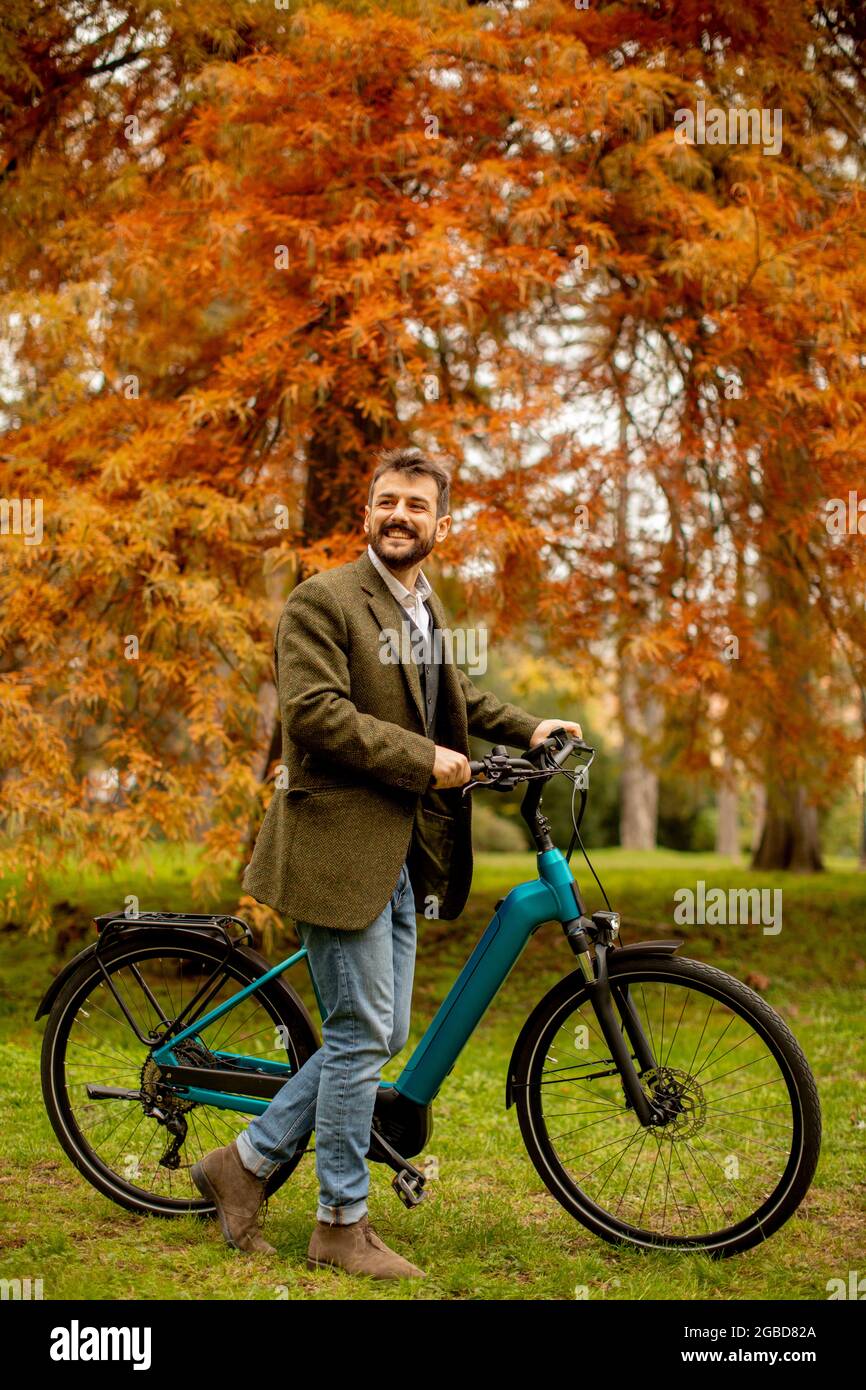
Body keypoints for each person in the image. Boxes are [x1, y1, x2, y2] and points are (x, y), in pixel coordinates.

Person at [191, 446, 582, 1280]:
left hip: (397, 855)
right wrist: (425, 759)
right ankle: (339, 1221)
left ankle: (245, 1162)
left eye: (418, 504)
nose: (401, 515)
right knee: (363, 1033)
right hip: (335, 849)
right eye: (388, 502)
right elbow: (314, 713)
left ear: (441, 524)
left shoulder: (422, 610)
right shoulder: (323, 599)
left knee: (378, 1031)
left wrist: (528, 727)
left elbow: (455, 700)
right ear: (367, 513)